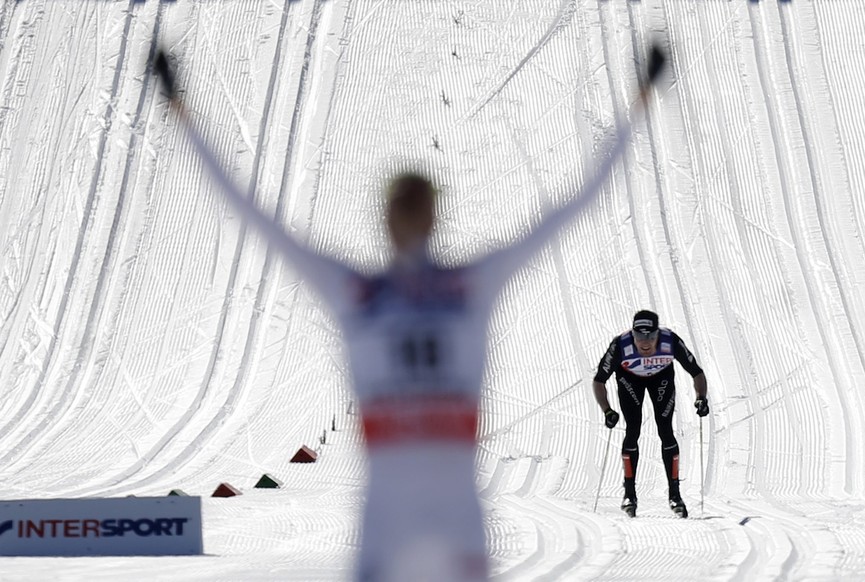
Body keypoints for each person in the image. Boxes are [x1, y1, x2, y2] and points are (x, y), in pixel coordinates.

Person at [155, 46, 664, 581]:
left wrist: (182, 111)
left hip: (407, 517)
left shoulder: (372, 293)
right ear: (427, 216)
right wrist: (638, 107)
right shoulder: (445, 287)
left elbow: (255, 216)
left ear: (392, 218)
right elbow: (569, 208)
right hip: (429, 516)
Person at [592, 310, 709, 518]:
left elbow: (696, 372)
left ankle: (675, 495)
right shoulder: (621, 344)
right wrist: (607, 410)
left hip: (660, 377)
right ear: (632, 334)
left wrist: (701, 397)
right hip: (630, 379)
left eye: (651, 337)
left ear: (658, 334)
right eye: (639, 338)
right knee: (633, 429)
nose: (645, 344)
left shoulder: (670, 340)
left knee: (666, 430)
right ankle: (629, 494)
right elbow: (599, 379)